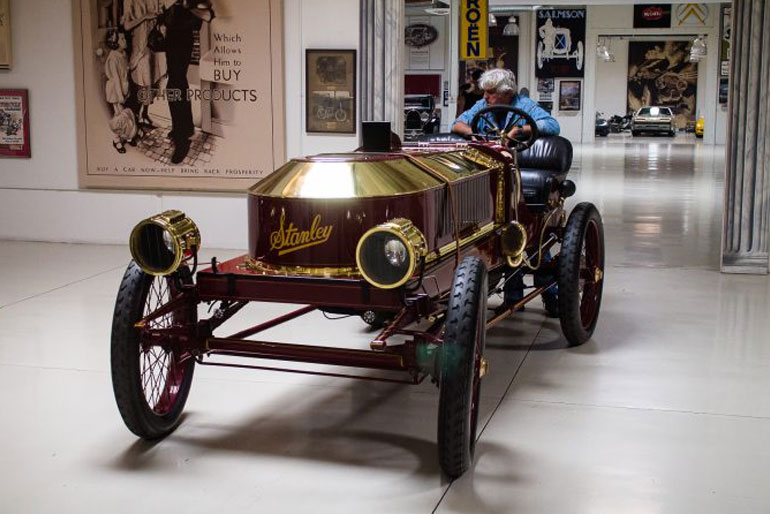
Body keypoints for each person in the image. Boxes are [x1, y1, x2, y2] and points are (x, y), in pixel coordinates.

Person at [452, 68, 560, 314]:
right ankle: (510, 294)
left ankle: (549, 291)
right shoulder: (481, 105)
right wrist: (473, 133)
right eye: (485, 93)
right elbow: (457, 123)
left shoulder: (525, 106)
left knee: (531, 241)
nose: (486, 98)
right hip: (493, 175)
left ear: (507, 93)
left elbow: (552, 124)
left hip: (518, 170)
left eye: (491, 94)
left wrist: (519, 131)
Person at [160, 0, 214, 164]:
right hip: (171, 42)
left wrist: (187, 7)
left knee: (174, 88)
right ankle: (185, 128)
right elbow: (166, 18)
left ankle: (182, 140)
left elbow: (208, 16)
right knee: (179, 86)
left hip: (182, 43)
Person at [122, 0, 163, 128]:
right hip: (139, 49)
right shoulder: (130, 2)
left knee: (150, 84)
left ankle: (145, 115)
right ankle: (135, 120)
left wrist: (158, 17)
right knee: (140, 85)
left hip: (151, 46)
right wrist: (145, 17)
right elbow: (126, 26)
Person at [104, 29, 133, 154]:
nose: (125, 40)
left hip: (123, 88)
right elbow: (116, 78)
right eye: (122, 39)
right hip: (115, 91)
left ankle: (127, 135)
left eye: (124, 38)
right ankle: (117, 140)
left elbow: (126, 71)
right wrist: (120, 94)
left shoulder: (123, 54)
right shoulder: (113, 58)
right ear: (115, 43)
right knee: (119, 116)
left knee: (123, 114)